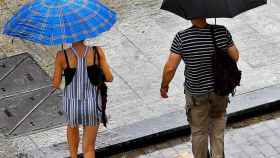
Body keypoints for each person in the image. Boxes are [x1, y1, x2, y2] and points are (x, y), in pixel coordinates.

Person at [160, 18, 239, 158]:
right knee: (217, 127)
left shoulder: (182, 37)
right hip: (219, 91)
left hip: (196, 94)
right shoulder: (221, 31)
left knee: (198, 131)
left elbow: (170, 68)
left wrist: (164, 86)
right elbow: (235, 56)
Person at [52, 40, 113, 158]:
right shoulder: (96, 51)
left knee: (73, 151)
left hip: (72, 104)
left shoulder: (62, 55)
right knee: (89, 149)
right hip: (92, 104)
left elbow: (55, 84)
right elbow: (109, 78)